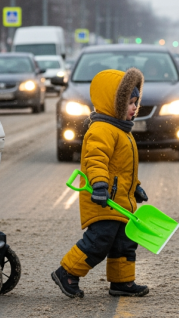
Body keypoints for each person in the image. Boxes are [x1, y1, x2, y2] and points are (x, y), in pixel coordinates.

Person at [52, 68, 150, 298]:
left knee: (125, 243)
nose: (134, 108)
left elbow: (124, 168)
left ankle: (122, 282)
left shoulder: (122, 131)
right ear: (113, 104)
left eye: (136, 102)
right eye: (129, 103)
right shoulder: (101, 130)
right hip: (102, 199)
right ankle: (67, 272)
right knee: (99, 241)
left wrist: (135, 186)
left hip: (120, 202)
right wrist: (98, 185)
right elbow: (95, 160)